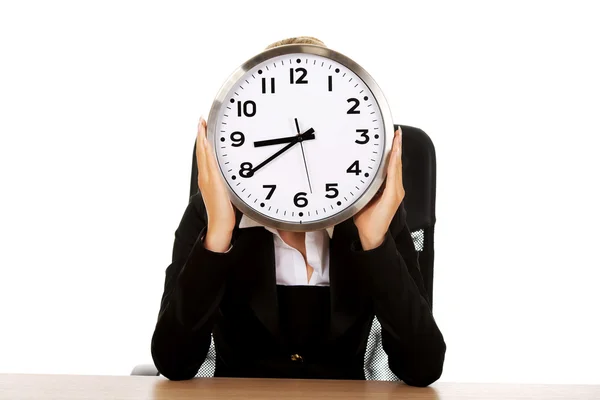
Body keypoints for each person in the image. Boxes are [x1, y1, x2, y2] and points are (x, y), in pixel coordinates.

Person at [151, 36, 446, 387]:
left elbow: (423, 367)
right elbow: (174, 362)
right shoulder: (212, 216)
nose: (301, 139)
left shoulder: (373, 220)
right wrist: (218, 237)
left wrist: (374, 242)